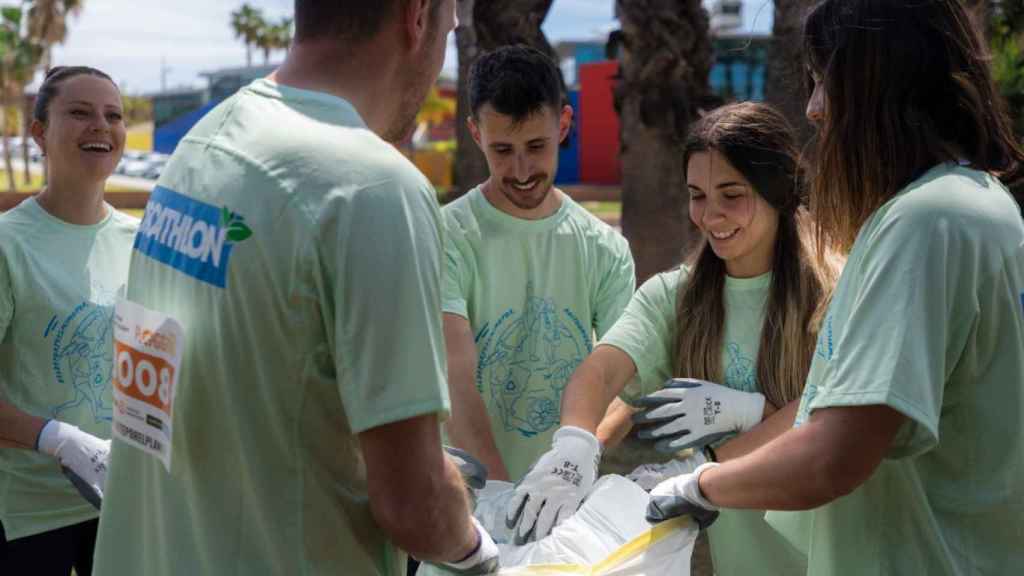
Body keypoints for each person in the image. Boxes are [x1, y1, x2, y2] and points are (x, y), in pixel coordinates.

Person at [92, 1, 498, 575]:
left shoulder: (209, 139)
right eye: (448, 33)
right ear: (417, 16)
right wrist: (478, 551)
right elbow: (416, 504)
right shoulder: (373, 188)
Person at [641, 1, 1024, 574]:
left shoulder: (924, 221)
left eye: (825, 82)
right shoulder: (978, 203)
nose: (814, 110)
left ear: (883, 80)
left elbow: (835, 454)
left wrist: (701, 484)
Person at [508, 101, 836, 572]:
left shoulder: (834, 289)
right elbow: (600, 373)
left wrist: (706, 462)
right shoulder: (675, 296)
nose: (710, 215)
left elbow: (829, 414)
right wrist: (575, 447)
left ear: (778, 191)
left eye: (731, 193)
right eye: (697, 195)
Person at [441, 45, 635, 525]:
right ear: (475, 133)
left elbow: (627, 381)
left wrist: (573, 463)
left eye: (537, 147)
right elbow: (453, 374)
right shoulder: (444, 235)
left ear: (564, 126)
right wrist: (501, 494)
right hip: (467, 507)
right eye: (503, 151)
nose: (523, 171)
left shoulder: (605, 249)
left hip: (567, 507)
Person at [0, 65, 138, 575]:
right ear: (39, 132)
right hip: (28, 516)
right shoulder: (8, 245)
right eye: (79, 112)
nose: (101, 126)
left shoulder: (141, 241)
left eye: (113, 115)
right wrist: (58, 439)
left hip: (126, 503)